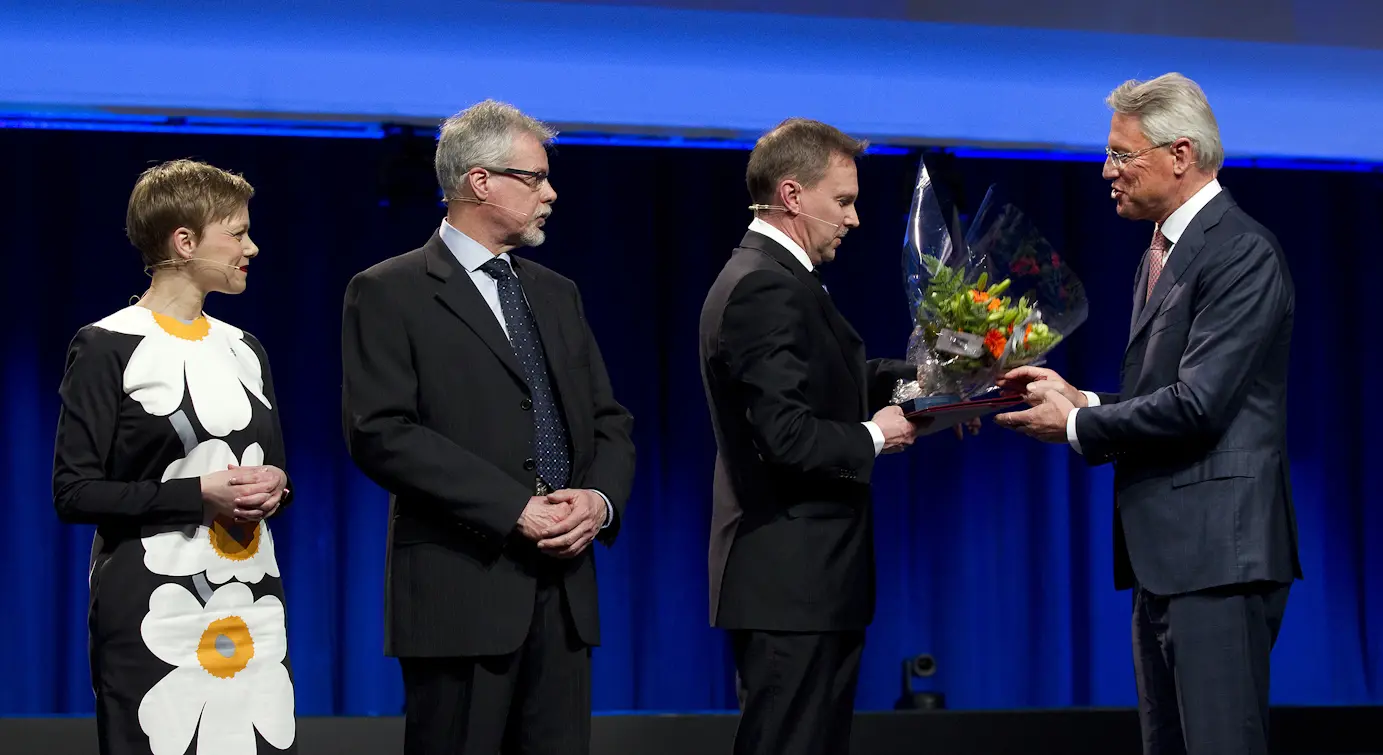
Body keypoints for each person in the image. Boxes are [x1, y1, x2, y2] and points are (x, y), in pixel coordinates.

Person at [995, 73, 1300, 755]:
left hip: (1218, 559)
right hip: (1168, 558)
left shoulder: (1239, 251)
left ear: (1180, 155)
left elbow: (1199, 404)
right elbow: (1166, 390)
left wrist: (1075, 427)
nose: (1106, 171)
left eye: (1121, 155)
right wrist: (1082, 398)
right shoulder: (1161, 250)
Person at [341, 100, 636, 755]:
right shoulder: (390, 290)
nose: (550, 193)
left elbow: (608, 421)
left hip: (562, 600)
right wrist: (514, 510)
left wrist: (598, 500)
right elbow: (381, 431)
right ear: (480, 181)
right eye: (534, 178)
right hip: (460, 596)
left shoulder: (557, 293)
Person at [52, 159, 296, 754]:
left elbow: (274, 476)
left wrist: (277, 486)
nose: (252, 247)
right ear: (184, 242)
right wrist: (199, 495)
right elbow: (75, 491)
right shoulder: (109, 345)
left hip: (250, 602)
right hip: (155, 611)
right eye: (237, 234)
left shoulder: (244, 348)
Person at [698, 118, 922, 755]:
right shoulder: (762, 285)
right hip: (788, 587)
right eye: (843, 202)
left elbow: (840, 377)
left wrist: (939, 384)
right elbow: (787, 437)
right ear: (793, 196)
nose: (854, 219)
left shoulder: (778, 278)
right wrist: (875, 435)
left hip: (810, 588)